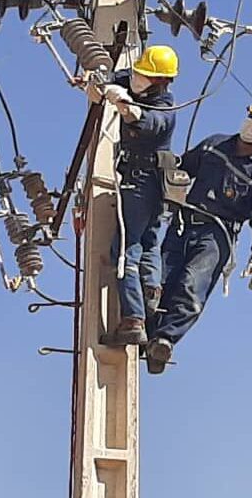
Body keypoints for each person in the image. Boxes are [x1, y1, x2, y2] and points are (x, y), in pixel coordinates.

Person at [145, 97, 252, 374]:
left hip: (216, 235)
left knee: (190, 286)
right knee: (158, 282)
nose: (251, 123)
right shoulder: (214, 145)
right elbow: (183, 167)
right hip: (184, 224)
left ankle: (164, 340)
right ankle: (145, 333)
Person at [89, 45, 180, 346]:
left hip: (142, 183)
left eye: (144, 75)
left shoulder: (165, 109)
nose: (137, 78)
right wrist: (95, 84)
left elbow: (144, 121)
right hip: (157, 183)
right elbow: (115, 78)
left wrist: (125, 105)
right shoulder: (136, 82)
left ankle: (133, 319)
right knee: (149, 241)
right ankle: (151, 291)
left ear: (160, 82)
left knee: (125, 249)